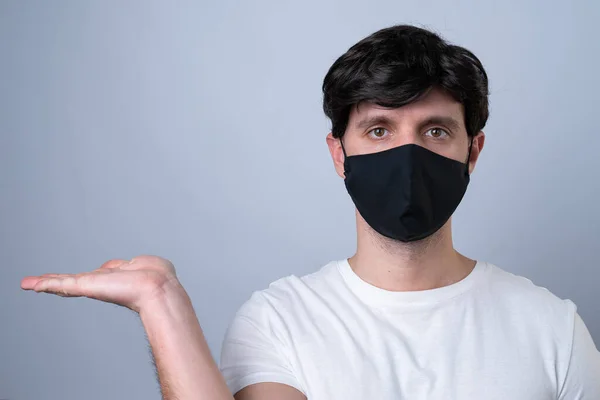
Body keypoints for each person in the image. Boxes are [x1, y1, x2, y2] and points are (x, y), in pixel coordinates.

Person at [20, 24, 600, 400]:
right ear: (338, 154)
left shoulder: (552, 330)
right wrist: (160, 303)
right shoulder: (280, 321)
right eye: (378, 130)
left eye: (436, 131)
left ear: (472, 151)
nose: (408, 154)